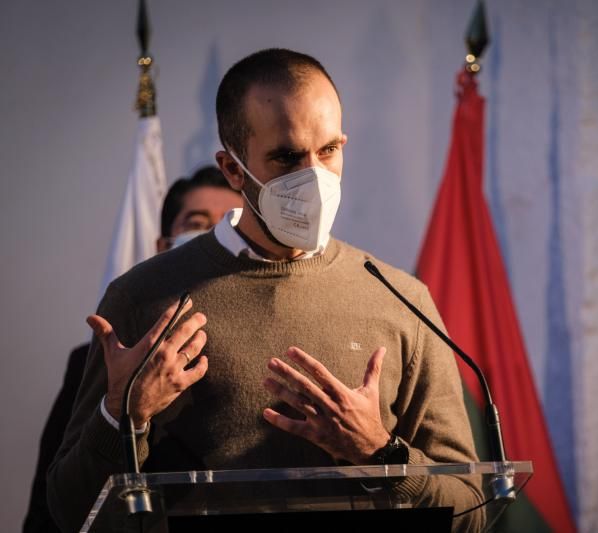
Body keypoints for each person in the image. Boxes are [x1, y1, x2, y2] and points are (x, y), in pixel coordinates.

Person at [47, 48, 483, 532]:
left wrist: (379, 452)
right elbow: (69, 512)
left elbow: (472, 507)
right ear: (234, 170)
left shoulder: (400, 299)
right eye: (286, 157)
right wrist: (122, 418)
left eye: (329, 150)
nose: (313, 175)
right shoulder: (144, 298)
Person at [23, 166, 240, 533]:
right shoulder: (93, 360)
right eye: (197, 222)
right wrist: (123, 408)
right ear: (162, 247)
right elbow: (54, 507)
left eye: (225, 228)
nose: (208, 240)